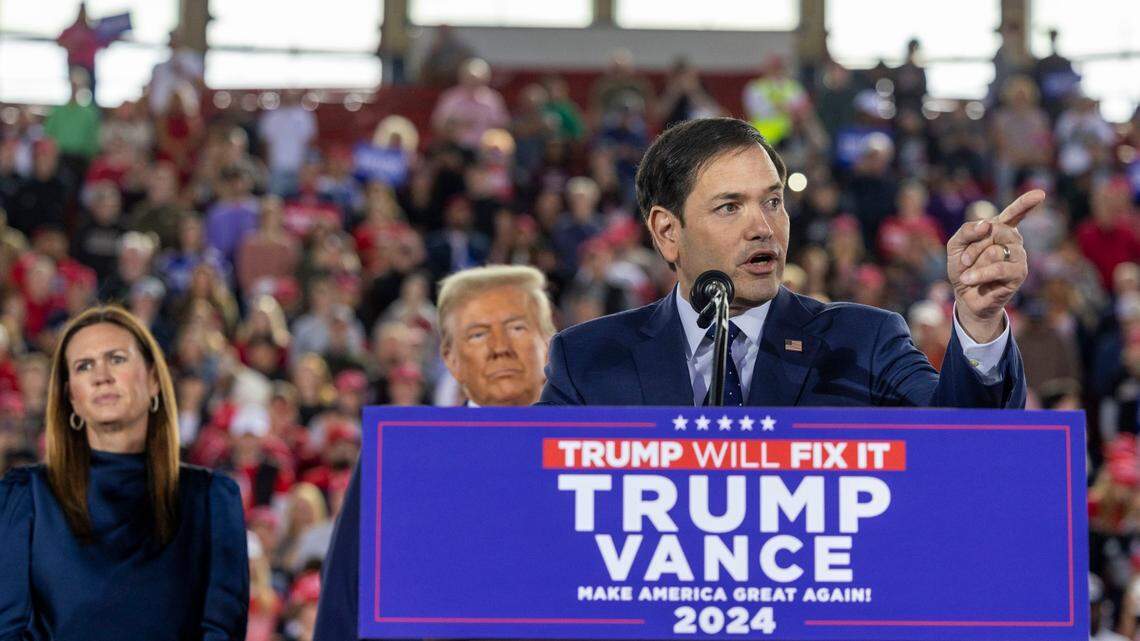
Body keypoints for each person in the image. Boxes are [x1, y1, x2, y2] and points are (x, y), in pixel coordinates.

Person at [541, 117, 1031, 407]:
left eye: (772, 202)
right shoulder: (587, 361)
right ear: (668, 233)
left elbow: (965, 443)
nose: (763, 227)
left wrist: (980, 320)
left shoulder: (863, 343)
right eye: (730, 207)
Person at [313, 265, 555, 641]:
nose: (499, 347)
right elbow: (345, 606)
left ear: (548, 343)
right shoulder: (399, 460)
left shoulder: (602, 461)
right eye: (477, 333)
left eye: (517, 327)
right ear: (450, 358)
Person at [0, 305, 248, 639]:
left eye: (116, 359)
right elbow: (8, 630)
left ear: (154, 380)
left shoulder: (211, 500)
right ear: (71, 396)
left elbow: (222, 629)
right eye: (84, 366)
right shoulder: (26, 496)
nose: (101, 375)